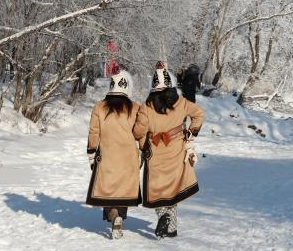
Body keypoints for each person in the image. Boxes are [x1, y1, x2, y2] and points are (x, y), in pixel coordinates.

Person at [141, 66, 205, 238]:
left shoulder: (146, 107)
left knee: (157, 190)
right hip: (176, 150)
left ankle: (163, 215)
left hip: (155, 153)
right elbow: (199, 114)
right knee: (173, 190)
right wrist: (191, 132)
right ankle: (172, 227)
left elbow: (139, 131)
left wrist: (143, 144)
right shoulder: (182, 103)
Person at [86, 69, 148, 239]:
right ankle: (119, 215)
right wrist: (144, 149)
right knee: (123, 189)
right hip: (128, 157)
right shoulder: (135, 107)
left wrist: (91, 153)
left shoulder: (99, 107)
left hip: (107, 155)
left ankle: (113, 214)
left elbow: (94, 132)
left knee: (108, 189)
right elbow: (140, 133)